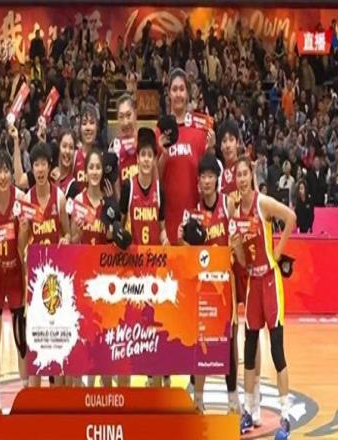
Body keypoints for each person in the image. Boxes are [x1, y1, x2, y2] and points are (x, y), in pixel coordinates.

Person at [235, 157, 296, 436]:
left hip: (270, 281)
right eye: (238, 175)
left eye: (245, 174)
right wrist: (236, 245)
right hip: (253, 283)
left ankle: (285, 415)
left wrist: (278, 254)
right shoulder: (238, 212)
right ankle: (249, 411)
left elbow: (291, 218)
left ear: (251, 175)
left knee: (277, 350)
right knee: (249, 350)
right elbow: (241, 260)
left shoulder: (262, 203)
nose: (241, 179)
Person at [179, 154, 244, 414]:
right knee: (201, 343)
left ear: (217, 179)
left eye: (210, 176)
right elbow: (186, 252)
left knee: (228, 344)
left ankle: (233, 402)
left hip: (226, 287)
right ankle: (197, 400)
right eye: (203, 177)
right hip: (203, 288)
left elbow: (239, 239)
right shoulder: (193, 214)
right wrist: (182, 240)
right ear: (198, 182)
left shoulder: (228, 205)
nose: (206, 181)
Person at [217, 119, 262, 423]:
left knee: (253, 331)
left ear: (238, 142)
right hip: (230, 262)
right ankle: (233, 396)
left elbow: (257, 208)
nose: (227, 144)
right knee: (231, 332)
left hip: (251, 259)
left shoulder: (247, 173)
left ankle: (254, 398)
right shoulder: (220, 177)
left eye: (231, 139)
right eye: (224, 140)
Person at [18, 143, 71, 388]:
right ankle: (35, 399)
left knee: (57, 346)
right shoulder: (26, 200)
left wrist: (66, 239)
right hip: (35, 280)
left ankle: (58, 398)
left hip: (57, 281)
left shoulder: (59, 197)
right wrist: (23, 230)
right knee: (37, 346)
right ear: (32, 168)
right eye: (36, 164)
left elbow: (68, 233)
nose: (39, 169)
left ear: (49, 167)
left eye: (43, 164)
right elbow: (21, 247)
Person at [120, 127, 169, 388]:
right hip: (132, 269)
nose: (147, 159)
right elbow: (120, 225)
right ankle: (128, 378)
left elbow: (161, 228)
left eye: (150, 155)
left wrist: (166, 239)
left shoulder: (160, 190)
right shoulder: (128, 187)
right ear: (137, 159)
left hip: (155, 270)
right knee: (132, 326)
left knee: (154, 326)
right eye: (143, 155)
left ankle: (154, 378)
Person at [0, 145, 27, 412]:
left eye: (6, 171)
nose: (2, 176)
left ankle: (24, 393)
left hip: (16, 273)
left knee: (21, 339)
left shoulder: (20, 198)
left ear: (11, 173)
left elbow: (27, 236)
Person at [158, 68, 215, 244]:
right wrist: (163, 155)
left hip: (194, 221)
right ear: (169, 94)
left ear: (188, 93)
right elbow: (155, 179)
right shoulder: (160, 131)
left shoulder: (200, 130)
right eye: (174, 89)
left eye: (182, 89)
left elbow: (208, 177)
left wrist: (211, 149)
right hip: (168, 221)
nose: (178, 94)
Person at [71, 148, 112, 388]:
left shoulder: (109, 202)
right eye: (91, 168)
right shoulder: (78, 201)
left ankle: (105, 395)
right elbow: (73, 240)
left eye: (98, 167)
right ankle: (82, 394)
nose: (95, 172)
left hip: (105, 281)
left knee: (104, 343)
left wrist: (112, 230)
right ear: (85, 172)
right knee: (84, 340)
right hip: (84, 280)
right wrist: (76, 232)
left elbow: (114, 241)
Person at [14, 128, 79, 199]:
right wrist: (16, 140)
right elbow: (19, 180)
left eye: (71, 147)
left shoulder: (72, 185)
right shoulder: (46, 169)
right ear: (59, 147)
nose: (67, 151)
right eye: (64, 146)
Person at [109, 95, 139, 188]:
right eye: (121, 117)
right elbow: (114, 181)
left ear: (135, 113)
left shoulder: (145, 139)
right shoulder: (114, 146)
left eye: (128, 115)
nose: (125, 122)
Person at [73, 104, 99, 190]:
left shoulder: (103, 157)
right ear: (80, 128)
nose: (88, 128)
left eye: (91, 123)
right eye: (84, 123)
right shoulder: (73, 157)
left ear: (97, 127)